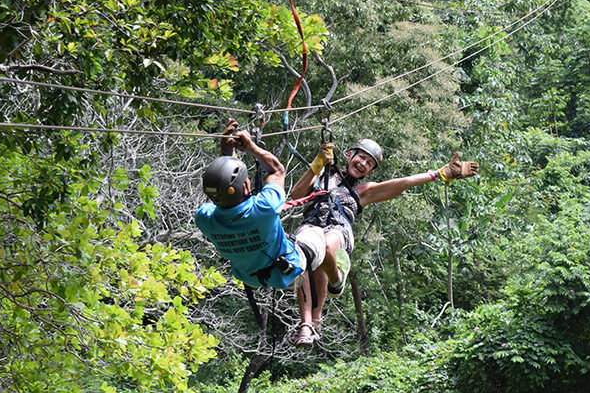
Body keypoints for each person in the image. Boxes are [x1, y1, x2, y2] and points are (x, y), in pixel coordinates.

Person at [286, 138, 479, 346]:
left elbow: (403, 183)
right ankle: (307, 324)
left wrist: (439, 173)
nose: (363, 164)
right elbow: (295, 196)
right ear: (349, 155)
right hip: (310, 225)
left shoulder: (363, 191)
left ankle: (330, 293)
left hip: (337, 229)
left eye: (369, 164)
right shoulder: (322, 177)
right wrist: (317, 165)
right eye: (361, 157)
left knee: (323, 247)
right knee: (305, 253)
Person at [194, 121, 340, 297]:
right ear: (246, 188)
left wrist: (226, 152)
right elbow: (277, 171)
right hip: (288, 268)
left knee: (268, 238)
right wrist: (251, 147)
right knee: (316, 231)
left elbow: (219, 190)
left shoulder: (204, 218)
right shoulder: (263, 208)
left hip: (250, 276)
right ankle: (336, 282)